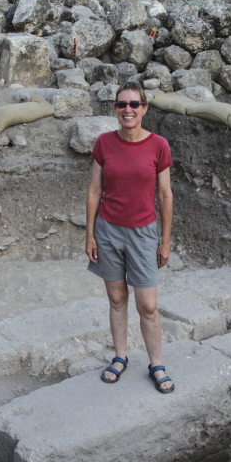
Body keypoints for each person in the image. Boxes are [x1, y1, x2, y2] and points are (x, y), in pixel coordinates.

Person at [85, 81, 175, 393]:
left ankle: (156, 364)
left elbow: (164, 195)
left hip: (144, 233)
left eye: (134, 104)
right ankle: (120, 357)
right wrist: (90, 235)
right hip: (108, 231)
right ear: (115, 109)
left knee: (148, 305)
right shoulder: (104, 143)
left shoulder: (158, 145)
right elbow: (95, 189)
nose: (128, 110)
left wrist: (165, 240)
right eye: (122, 104)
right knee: (117, 297)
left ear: (144, 109)